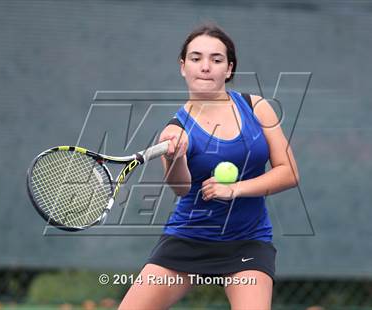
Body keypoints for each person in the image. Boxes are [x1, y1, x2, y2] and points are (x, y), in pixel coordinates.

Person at [119, 23, 299, 310]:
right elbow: (180, 188)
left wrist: (235, 189)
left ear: (228, 69)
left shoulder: (257, 108)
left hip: (247, 241)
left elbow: (288, 172)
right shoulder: (175, 129)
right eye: (196, 58)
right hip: (189, 238)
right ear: (183, 67)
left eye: (216, 60)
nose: (205, 67)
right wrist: (176, 157)